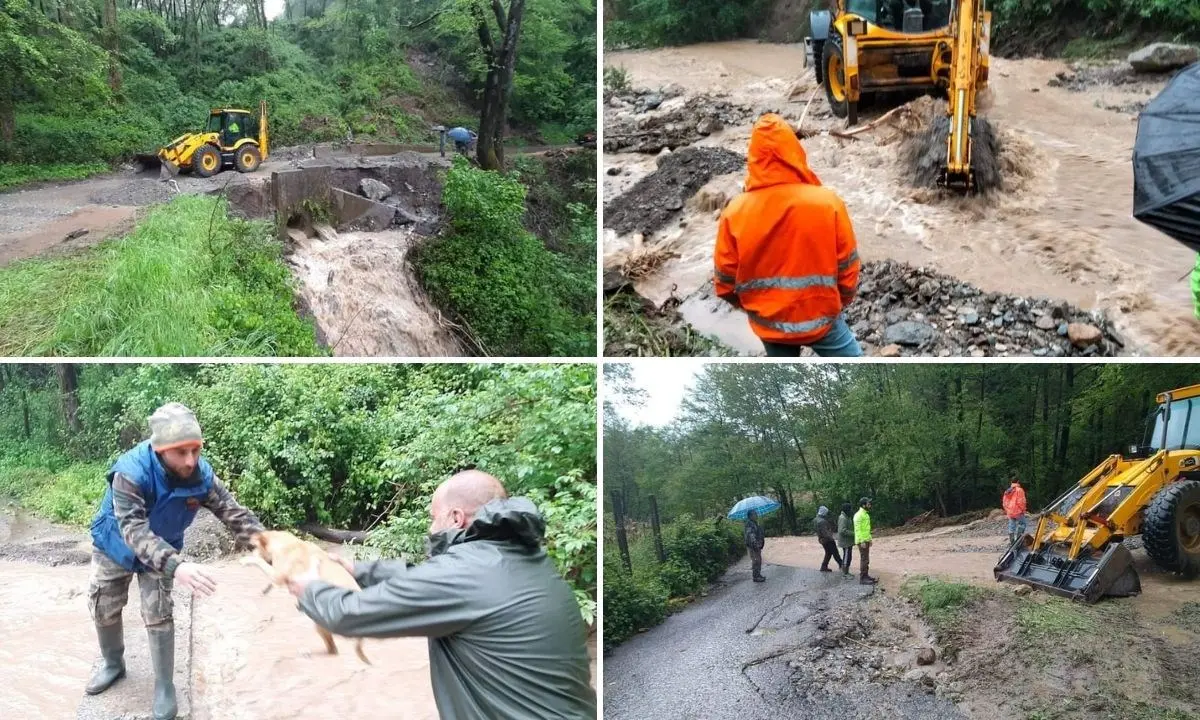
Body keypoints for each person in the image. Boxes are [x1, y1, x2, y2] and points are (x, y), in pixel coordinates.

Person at [287, 470, 596, 720]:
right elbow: (432, 581)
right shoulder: (525, 560)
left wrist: (310, 588)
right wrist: (358, 569)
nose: (431, 528)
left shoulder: (463, 574)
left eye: (433, 518)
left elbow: (348, 614)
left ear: (456, 518)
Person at [85, 403, 264, 720]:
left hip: (163, 545)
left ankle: (165, 685)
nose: (190, 460)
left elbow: (234, 514)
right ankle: (113, 663)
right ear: (159, 449)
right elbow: (135, 533)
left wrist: (273, 548)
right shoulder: (130, 474)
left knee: (159, 613)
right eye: (181, 452)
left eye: (195, 450)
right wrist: (178, 566)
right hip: (116, 543)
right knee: (104, 607)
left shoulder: (201, 476)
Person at [714, 113, 863, 357]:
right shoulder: (828, 203)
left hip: (770, 325)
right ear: (794, 151)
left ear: (753, 158)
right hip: (822, 319)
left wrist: (757, 309)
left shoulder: (734, 212)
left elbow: (724, 283)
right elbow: (848, 268)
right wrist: (837, 304)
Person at [853, 497, 878, 585]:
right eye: (868, 504)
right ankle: (863, 578)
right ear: (863, 505)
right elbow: (858, 529)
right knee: (864, 559)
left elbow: (867, 529)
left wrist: (870, 539)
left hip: (866, 539)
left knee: (866, 559)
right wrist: (862, 541)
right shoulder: (859, 515)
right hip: (862, 541)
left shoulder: (865, 514)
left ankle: (866, 575)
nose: (870, 505)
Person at [814, 505, 841, 572]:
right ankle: (842, 565)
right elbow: (826, 533)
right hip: (828, 540)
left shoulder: (815, 520)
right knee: (835, 552)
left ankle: (824, 566)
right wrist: (833, 538)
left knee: (828, 553)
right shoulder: (822, 521)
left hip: (821, 539)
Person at [1003, 478, 1028, 546]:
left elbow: (1004, 502)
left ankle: (1012, 542)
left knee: (1011, 526)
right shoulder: (1019, 490)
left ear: (1011, 482)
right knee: (1022, 524)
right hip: (1018, 511)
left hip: (1010, 511)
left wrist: (1007, 510)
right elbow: (1021, 501)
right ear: (1018, 482)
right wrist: (1023, 510)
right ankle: (1018, 541)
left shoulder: (1008, 491)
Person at [744, 508, 766, 582]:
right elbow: (751, 536)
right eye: (754, 514)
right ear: (750, 516)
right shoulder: (749, 524)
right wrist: (755, 544)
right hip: (753, 546)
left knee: (758, 560)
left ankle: (758, 575)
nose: (756, 515)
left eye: (756, 514)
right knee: (756, 560)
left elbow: (758, 533)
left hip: (757, 545)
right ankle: (756, 577)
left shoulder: (754, 523)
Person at [836, 502, 855, 576]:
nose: (851, 510)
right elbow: (842, 531)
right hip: (845, 542)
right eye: (850, 509)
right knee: (847, 557)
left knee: (848, 556)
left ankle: (846, 571)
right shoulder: (843, 518)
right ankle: (845, 572)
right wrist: (854, 534)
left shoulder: (847, 517)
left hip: (848, 541)